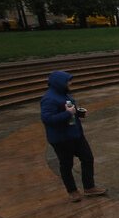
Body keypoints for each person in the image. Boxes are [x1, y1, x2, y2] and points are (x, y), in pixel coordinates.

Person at [40, 71, 106, 202]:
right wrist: (67, 114)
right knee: (66, 165)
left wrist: (78, 113)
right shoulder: (49, 99)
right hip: (61, 139)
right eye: (68, 81)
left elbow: (70, 111)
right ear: (60, 83)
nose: (71, 83)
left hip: (76, 134)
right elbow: (47, 119)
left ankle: (89, 187)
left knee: (87, 158)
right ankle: (72, 191)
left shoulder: (65, 94)